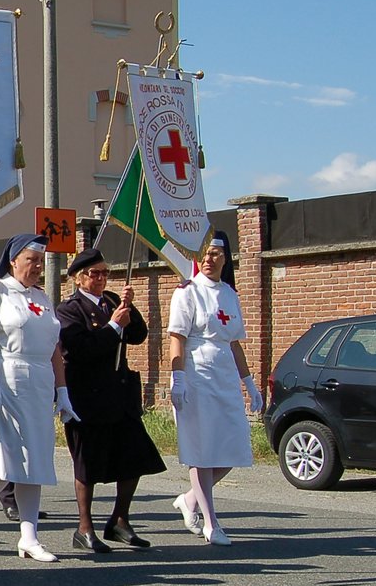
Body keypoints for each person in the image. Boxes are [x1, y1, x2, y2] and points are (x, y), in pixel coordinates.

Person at [0, 234, 79, 562]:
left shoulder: (42, 296)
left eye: (41, 261)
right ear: (13, 260)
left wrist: (62, 391)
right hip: (7, 379)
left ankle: (29, 537)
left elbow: (55, 348)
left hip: (38, 384)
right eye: (31, 260)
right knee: (5, 462)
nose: (38, 267)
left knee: (35, 461)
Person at [56, 247, 166, 551]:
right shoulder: (69, 309)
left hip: (119, 395)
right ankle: (84, 527)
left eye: (106, 272)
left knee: (133, 458)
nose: (102, 278)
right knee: (87, 463)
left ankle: (119, 519)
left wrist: (130, 309)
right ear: (79, 278)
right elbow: (78, 349)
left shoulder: (112, 301)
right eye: (95, 273)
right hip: (88, 396)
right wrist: (114, 325)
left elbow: (138, 335)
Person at [168, 232, 261, 545]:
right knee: (202, 450)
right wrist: (177, 377)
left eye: (216, 254)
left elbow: (234, 342)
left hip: (224, 375)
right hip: (196, 373)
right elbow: (177, 338)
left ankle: (190, 499)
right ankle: (211, 523)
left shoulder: (229, 295)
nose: (209, 259)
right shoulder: (187, 292)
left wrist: (249, 382)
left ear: (225, 257)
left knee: (233, 448)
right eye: (204, 254)